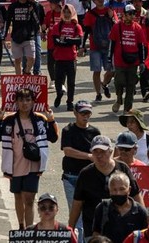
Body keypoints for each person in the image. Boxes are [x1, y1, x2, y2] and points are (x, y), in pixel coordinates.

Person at [0, 88, 59, 229]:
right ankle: (21, 225)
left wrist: (51, 120)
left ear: (33, 102)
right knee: (18, 197)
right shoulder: (9, 120)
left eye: (28, 100)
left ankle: (28, 229)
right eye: (21, 100)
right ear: (16, 102)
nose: (25, 103)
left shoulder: (40, 119)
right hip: (14, 165)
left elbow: (53, 138)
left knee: (29, 199)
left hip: (33, 166)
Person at [69, 136, 142, 239]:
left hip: (121, 229)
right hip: (93, 230)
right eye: (95, 152)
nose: (99, 156)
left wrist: (143, 222)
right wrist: (70, 230)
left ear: (111, 152)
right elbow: (77, 204)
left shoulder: (123, 168)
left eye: (102, 152)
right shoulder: (85, 174)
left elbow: (136, 195)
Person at [60, 100, 99, 242]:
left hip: (89, 178)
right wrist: (88, 156)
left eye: (88, 113)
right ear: (75, 113)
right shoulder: (68, 130)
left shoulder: (95, 132)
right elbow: (67, 151)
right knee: (77, 215)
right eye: (82, 113)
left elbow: (99, 153)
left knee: (89, 213)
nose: (85, 116)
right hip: (71, 177)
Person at [109, 4, 146, 113]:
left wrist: (142, 61)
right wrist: (109, 58)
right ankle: (119, 99)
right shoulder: (117, 26)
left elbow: (141, 46)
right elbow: (112, 43)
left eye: (133, 13)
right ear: (124, 15)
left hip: (133, 61)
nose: (132, 16)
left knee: (131, 85)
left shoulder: (137, 27)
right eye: (129, 13)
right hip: (120, 61)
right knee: (118, 81)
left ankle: (127, 109)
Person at [92, 172, 148, 242]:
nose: (118, 193)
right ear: (109, 191)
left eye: (122, 189)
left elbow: (146, 235)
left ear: (129, 190)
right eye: (114, 190)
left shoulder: (140, 212)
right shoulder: (102, 208)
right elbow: (96, 234)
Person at [50, 4, 84, 111]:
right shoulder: (58, 26)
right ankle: (59, 94)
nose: (66, 14)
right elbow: (56, 41)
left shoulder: (76, 26)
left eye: (69, 12)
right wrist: (70, 41)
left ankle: (70, 102)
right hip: (59, 58)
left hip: (71, 58)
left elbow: (79, 41)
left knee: (71, 82)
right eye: (65, 12)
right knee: (58, 80)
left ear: (72, 13)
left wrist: (66, 40)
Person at [84, 0, 115, 102]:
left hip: (109, 45)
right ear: (94, 0)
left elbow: (116, 27)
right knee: (96, 70)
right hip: (95, 45)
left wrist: (112, 18)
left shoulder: (110, 11)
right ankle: (98, 94)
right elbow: (86, 30)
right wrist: (83, 46)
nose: (100, 0)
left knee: (111, 70)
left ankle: (104, 84)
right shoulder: (90, 14)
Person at [5, 0, 41, 75]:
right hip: (16, 37)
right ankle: (19, 79)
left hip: (29, 37)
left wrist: (32, 11)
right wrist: (4, 35)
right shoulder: (12, 6)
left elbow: (37, 22)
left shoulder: (33, 5)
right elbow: (8, 21)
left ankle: (26, 71)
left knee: (32, 59)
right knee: (17, 61)